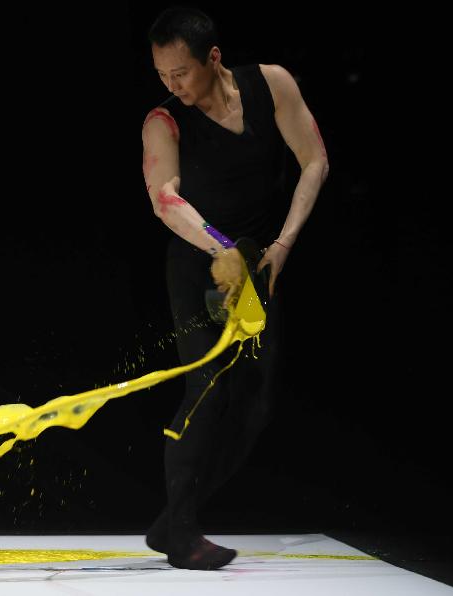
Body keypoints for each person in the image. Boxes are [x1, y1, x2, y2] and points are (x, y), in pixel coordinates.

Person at [140, 6, 329, 570]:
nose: (173, 86)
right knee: (207, 387)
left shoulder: (272, 84)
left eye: (182, 74)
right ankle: (182, 533)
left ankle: (174, 517)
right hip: (200, 264)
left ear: (213, 57)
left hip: (257, 263)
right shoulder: (163, 121)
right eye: (162, 76)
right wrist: (219, 247)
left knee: (256, 404)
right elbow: (164, 198)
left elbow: (314, 160)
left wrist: (283, 246)